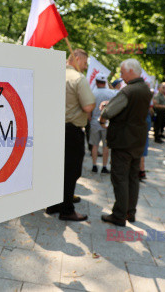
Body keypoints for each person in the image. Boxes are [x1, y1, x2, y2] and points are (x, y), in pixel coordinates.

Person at [98, 59, 152, 227]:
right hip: (137, 140)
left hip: (123, 141)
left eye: (122, 72)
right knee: (133, 177)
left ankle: (119, 214)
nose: (120, 76)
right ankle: (130, 212)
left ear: (130, 71)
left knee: (120, 178)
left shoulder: (128, 90)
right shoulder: (145, 89)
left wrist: (104, 108)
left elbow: (109, 112)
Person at [46, 48, 95, 222]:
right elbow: (88, 106)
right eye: (84, 62)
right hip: (71, 131)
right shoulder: (78, 78)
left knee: (55, 169)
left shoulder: (52, 75)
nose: (85, 66)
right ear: (77, 58)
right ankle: (67, 209)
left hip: (52, 129)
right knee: (71, 170)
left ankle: (53, 204)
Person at [89, 74, 114, 174]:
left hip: (94, 122)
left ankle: (94, 165)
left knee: (94, 145)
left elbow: (89, 108)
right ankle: (104, 166)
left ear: (96, 82)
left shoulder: (92, 93)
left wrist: (90, 119)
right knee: (105, 146)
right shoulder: (111, 93)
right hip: (106, 123)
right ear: (105, 82)